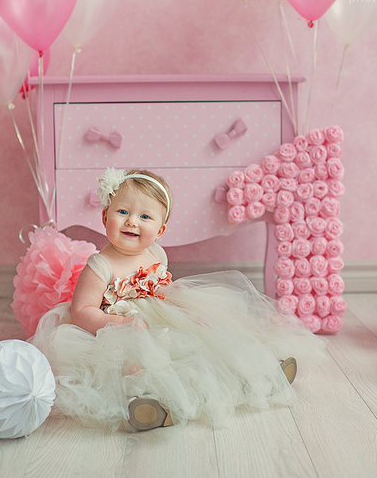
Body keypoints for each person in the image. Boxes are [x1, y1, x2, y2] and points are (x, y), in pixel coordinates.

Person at [30, 168, 325, 431]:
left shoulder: (157, 253)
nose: (132, 221)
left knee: (209, 336)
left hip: (163, 316)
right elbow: (82, 311)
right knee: (140, 363)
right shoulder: (100, 265)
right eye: (122, 211)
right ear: (105, 216)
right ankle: (150, 404)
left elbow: (161, 290)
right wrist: (118, 324)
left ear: (160, 230)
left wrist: (183, 307)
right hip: (120, 329)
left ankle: (256, 371)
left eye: (145, 217)